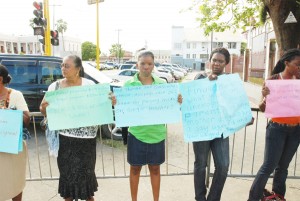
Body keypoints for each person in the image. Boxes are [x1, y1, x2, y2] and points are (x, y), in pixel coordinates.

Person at [111, 51, 182, 201]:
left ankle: (156, 199)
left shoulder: (162, 85)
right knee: (135, 169)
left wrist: (177, 101)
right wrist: (116, 103)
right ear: (137, 64)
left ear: (153, 65)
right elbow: (123, 108)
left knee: (155, 169)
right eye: (143, 63)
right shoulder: (128, 85)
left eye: (149, 63)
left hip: (157, 134)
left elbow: (170, 106)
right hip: (136, 134)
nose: (146, 66)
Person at [40, 55, 98, 201]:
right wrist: (45, 108)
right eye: (62, 65)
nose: (63, 68)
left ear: (78, 69)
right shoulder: (55, 86)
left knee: (87, 184)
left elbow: (100, 107)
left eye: (67, 66)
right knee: (68, 182)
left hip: (86, 141)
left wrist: (110, 101)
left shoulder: (89, 85)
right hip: (65, 141)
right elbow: (42, 108)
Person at [248, 49, 300, 201]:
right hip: (277, 129)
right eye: (297, 64)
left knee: (283, 168)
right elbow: (264, 109)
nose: (299, 68)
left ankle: (278, 196)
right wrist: (264, 97)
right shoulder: (273, 80)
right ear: (286, 63)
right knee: (268, 166)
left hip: (296, 130)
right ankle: (253, 198)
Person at [193, 47, 231, 201]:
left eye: (220, 61)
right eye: (214, 60)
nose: (216, 63)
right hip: (201, 129)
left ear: (226, 63)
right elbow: (193, 99)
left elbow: (234, 103)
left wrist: (244, 116)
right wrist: (207, 82)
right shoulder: (200, 77)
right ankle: (200, 198)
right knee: (200, 164)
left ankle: (213, 198)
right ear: (210, 61)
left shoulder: (230, 81)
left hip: (221, 130)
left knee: (223, 166)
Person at [0, 64, 30, 201]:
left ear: (0, 79)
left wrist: (10, 115)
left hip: (13, 147)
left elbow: (26, 119)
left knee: (15, 181)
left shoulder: (16, 95)